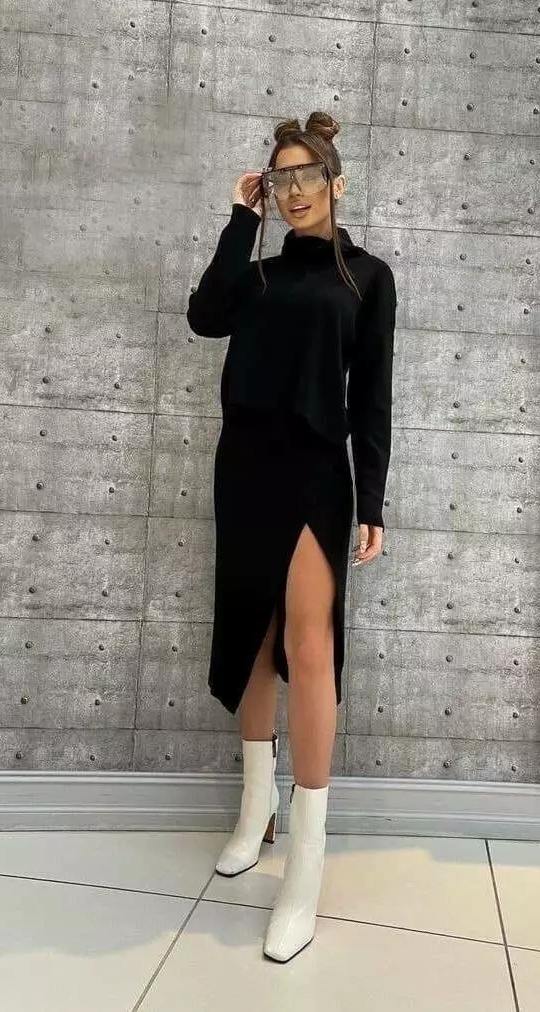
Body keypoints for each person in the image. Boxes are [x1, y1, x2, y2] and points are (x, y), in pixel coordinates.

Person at [186, 110, 397, 962]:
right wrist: (240, 219)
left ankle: (306, 865)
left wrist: (371, 498)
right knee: (253, 638)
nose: (294, 190)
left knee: (308, 646)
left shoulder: (368, 278)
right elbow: (205, 316)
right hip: (244, 467)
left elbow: (372, 394)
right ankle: (255, 811)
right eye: (280, 179)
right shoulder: (258, 275)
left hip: (315, 472)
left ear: (335, 184)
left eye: (307, 175)